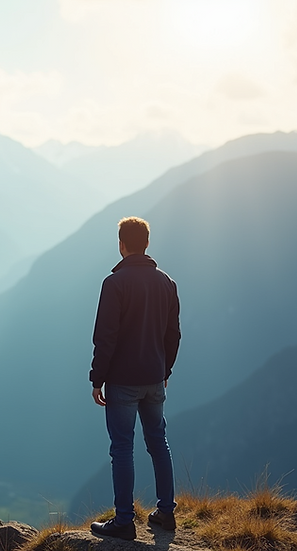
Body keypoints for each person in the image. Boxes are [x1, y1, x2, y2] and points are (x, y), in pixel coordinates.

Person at [88, 216, 181, 540]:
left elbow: (106, 337)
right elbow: (174, 335)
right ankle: (166, 513)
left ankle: (124, 521)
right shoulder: (167, 283)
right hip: (155, 379)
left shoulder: (114, 284)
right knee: (158, 442)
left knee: (122, 448)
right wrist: (165, 369)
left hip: (123, 382)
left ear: (122, 245)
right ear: (147, 244)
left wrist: (96, 379)